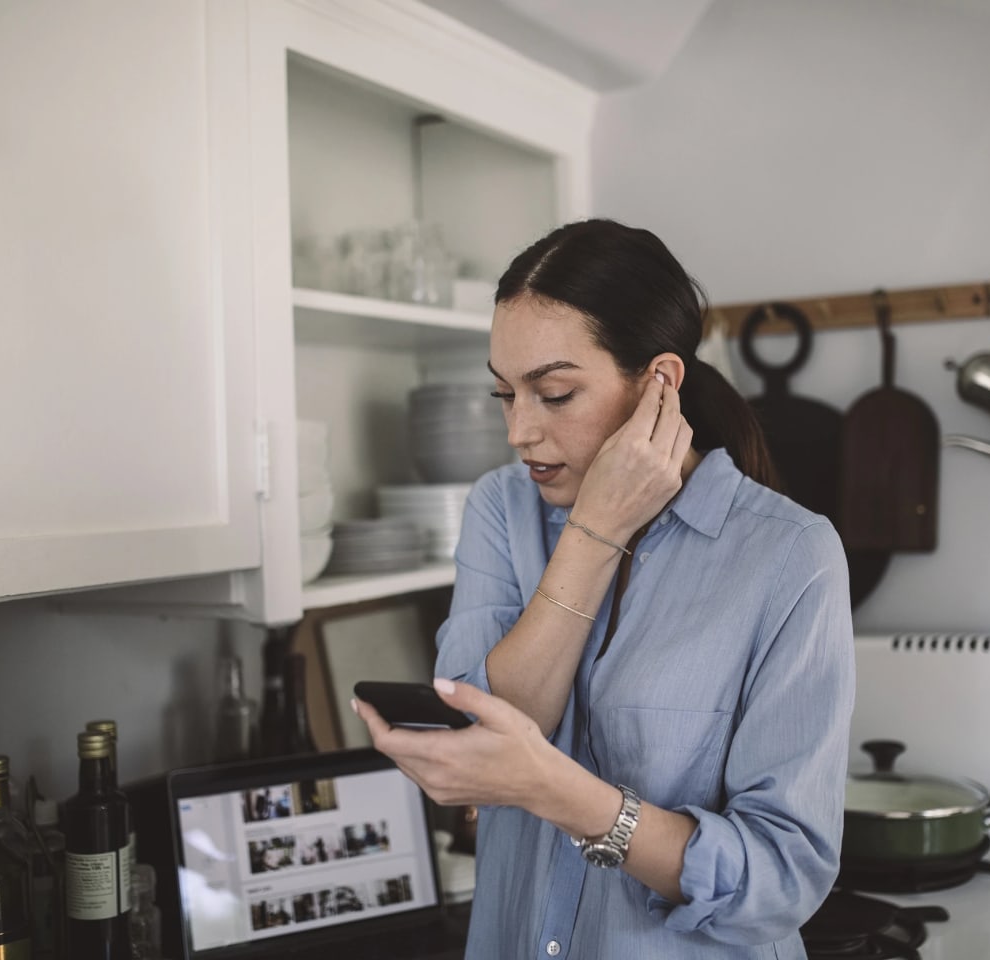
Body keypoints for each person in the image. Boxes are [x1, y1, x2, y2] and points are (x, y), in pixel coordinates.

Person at [352, 218, 854, 957]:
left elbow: (781, 879)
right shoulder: (501, 507)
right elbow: (487, 733)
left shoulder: (790, 556)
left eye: (553, 394)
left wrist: (562, 795)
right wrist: (596, 534)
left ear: (659, 383)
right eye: (504, 394)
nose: (519, 430)